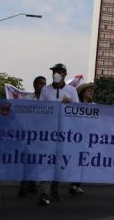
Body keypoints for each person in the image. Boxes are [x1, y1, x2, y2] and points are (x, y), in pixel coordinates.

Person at [37, 63, 79, 206]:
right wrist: (59, 102)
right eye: (54, 71)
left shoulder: (72, 90)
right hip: (48, 133)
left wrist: (69, 105)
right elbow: (41, 109)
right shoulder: (45, 89)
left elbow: (78, 111)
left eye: (59, 71)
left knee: (59, 163)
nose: (55, 74)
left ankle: (54, 191)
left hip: (64, 133)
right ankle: (44, 193)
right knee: (47, 162)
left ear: (64, 74)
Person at [18, 76, 46, 197]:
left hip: (42, 136)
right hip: (28, 135)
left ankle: (32, 185)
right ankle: (23, 187)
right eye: (40, 83)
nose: (42, 86)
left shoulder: (48, 100)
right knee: (27, 162)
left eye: (44, 84)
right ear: (34, 85)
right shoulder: (26, 98)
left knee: (37, 161)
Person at [69, 83, 96, 196]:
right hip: (76, 138)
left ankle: (77, 184)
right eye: (89, 91)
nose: (91, 93)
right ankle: (74, 184)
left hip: (88, 138)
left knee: (82, 161)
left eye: (92, 91)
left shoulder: (95, 106)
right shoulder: (76, 105)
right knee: (76, 161)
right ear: (83, 93)